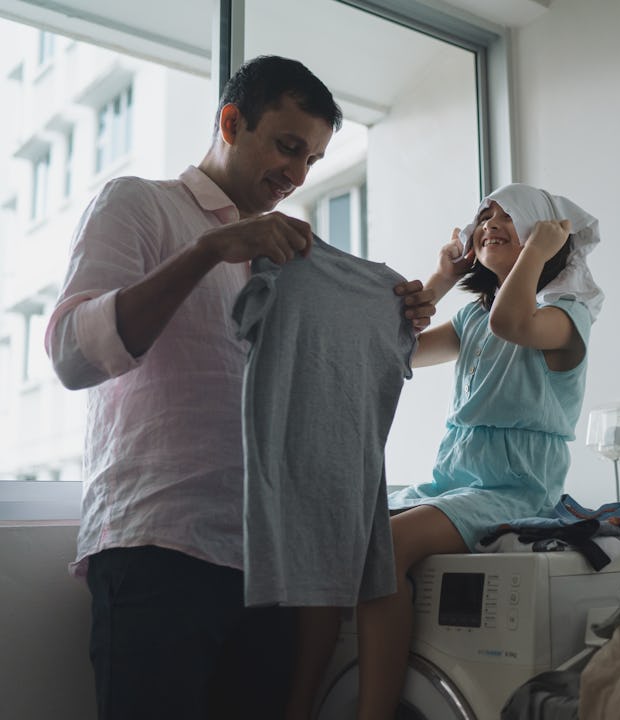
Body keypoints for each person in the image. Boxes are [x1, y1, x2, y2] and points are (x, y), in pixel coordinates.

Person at [44, 55, 434, 720]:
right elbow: (70, 357)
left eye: (311, 160)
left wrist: (398, 318)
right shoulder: (139, 204)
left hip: (269, 566)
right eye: (287, 147)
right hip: (157, 549)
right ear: (230, 121)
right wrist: (206, 251)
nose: (297, 175)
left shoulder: (289, 261)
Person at [350, 183, 604, 719]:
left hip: (515, 488)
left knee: (387, 545)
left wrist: (536, 253)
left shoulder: (565, 317)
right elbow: (398, 351)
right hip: (455, 481)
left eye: (509, 216)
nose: (489, 220)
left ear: (543, 234)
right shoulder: (471, 319)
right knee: (350, 525)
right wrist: (441, 279)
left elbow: (510, 322)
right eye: (483, 215)